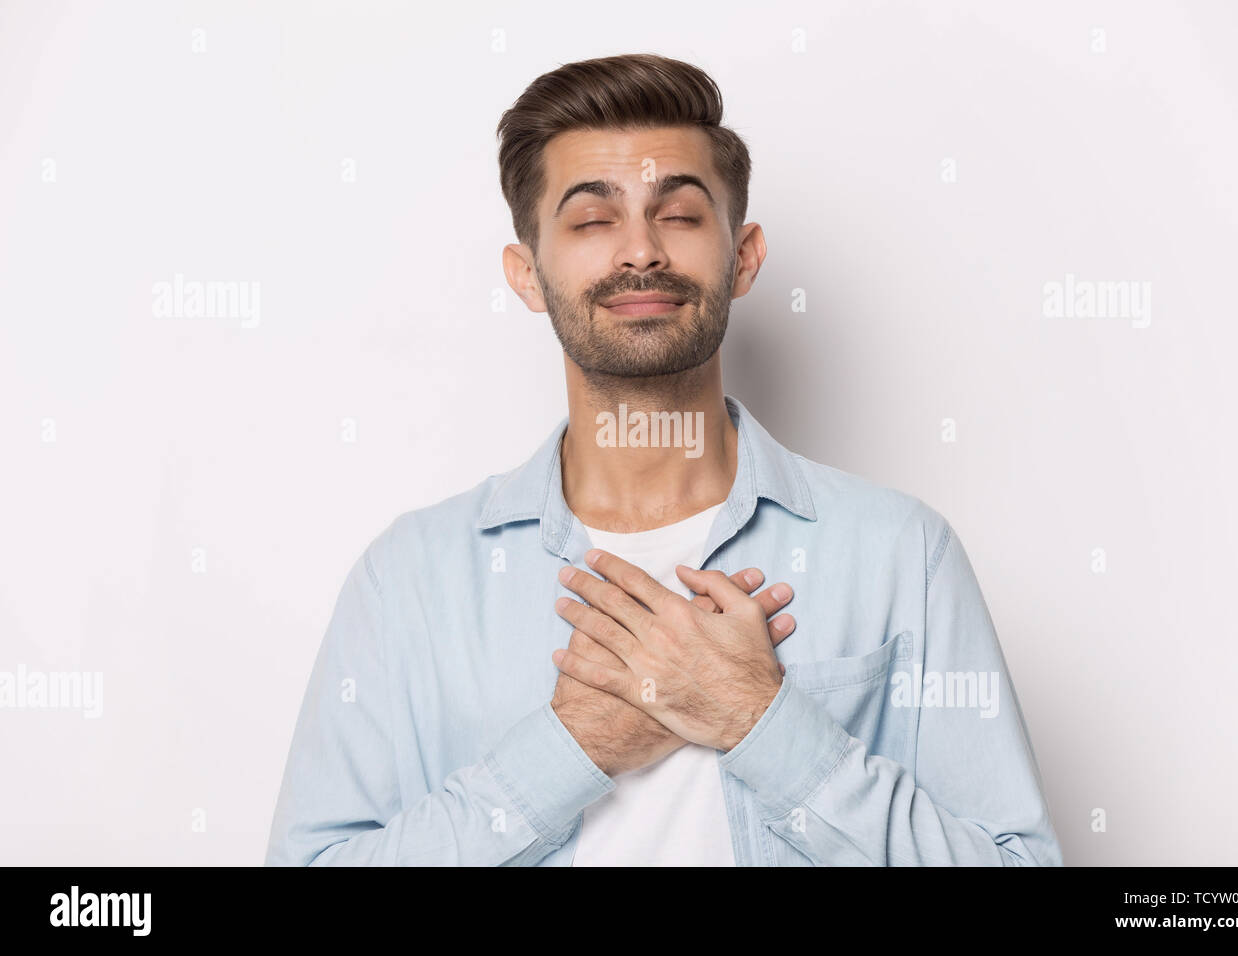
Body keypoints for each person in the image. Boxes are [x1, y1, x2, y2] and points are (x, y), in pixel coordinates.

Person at [265, 53, 1062, 866]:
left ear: (743, 256)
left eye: (678, 214)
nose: (640, 251)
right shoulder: (410, 580)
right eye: (590, 220)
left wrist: (762, 721)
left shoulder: (902, 556)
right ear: (527, 274)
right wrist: (568, 751)